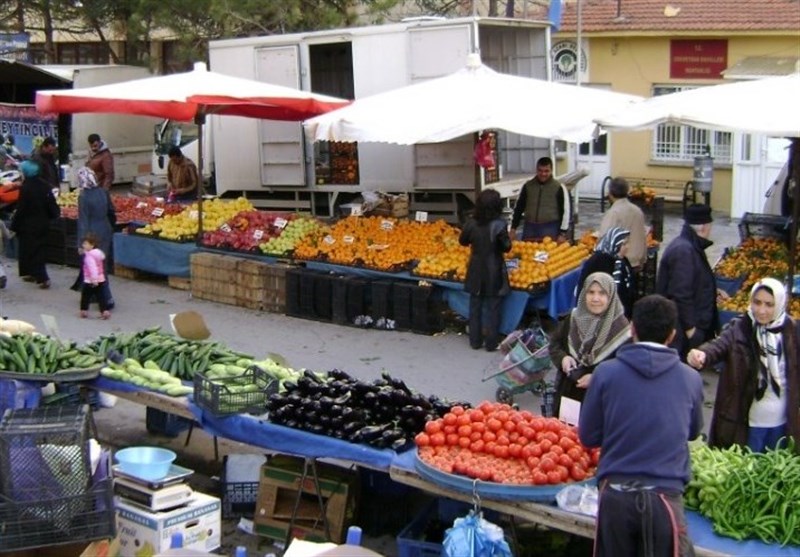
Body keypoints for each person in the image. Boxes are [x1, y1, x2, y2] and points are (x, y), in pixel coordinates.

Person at [579, 294, 704, 557]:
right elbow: (692, 431)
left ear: (632, 328)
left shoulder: (606, 373)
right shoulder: (690, 378)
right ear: (671, 335)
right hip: (665, 500)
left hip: (616, 496)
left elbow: (589, 435)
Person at [688, 278, 799, 453]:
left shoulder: (791, 330)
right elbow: (719, 345)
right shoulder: (740, 328)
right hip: (747, 423)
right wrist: (702, 354)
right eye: (757, 302)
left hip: (782, 423)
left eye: (769, 305)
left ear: (779, 304)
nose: (762, 311)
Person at [548, 272, 631, 416]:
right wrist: (563, 358)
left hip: (602, 401)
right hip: (569, 394)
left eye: (602, 293)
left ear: (611, 296)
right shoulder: (573, 318)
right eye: (591, 292)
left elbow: (625, 369)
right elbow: (555, 344)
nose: (595, 298)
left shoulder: (621, 330)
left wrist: (597, 378)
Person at [656, 203, 725, 360]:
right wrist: (691, 329)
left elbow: (695, 280)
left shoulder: (689, 246)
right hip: (682, 331)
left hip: (686, 327)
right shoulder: (684, 251)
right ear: (704, 227)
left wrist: (715, 290)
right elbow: (680, 293)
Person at [458, 188, 512, 352]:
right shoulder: (499, 225)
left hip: (475, 268)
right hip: (493, 269)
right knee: (493, 308)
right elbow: (506, 247)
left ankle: (475, 341)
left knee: (475, 306)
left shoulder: (471, 222)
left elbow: (462, 241)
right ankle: (491, 343)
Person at [9, 160, 60, 288]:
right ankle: (31, 273)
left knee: (31, 250)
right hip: (43, 223)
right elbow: (52, 204)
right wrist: (54, 215)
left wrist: (14, 225)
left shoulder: (26, 188)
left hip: (28, 225)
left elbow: (22, 208)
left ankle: (42, 277)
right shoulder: (44, 185)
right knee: (39, 249)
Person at [76, 166, 116, 308]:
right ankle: (94, 295)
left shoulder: (83, 197)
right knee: (102, 263)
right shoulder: (103, 192)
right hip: (105, 229)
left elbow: (83, 221)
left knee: (95, 267)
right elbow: (112, 212)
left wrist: (81, 243)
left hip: (92, 234)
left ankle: (106, 298)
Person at [576, 227, 636, 317]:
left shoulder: (623, 261)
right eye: (624, 244)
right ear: (615, 244)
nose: (627, 247)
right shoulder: (598, 261)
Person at [509, 156, 571, 242]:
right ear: (536, 170)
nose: (543, 174)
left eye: (546, 171)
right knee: (527, 254)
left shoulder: (559, 187)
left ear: (551, 170)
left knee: (548, 255)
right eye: (540, 170)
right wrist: (513, 228)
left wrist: (563, 233)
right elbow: (519, 208)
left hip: (550, 228)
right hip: (530, 228)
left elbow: (565, 212)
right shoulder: (528, 186)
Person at [598, 177, 648, 269]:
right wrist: (642, 260)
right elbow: (643, 236)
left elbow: (604, 239)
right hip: (635, 261)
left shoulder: (614, 213)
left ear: (610, 194)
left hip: (620, 263)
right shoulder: (637, 211)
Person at [79, 232, 111, 319]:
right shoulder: (98, 253)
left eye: (85, 243)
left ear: (92, 245)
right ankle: (104, 311)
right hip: (101, 279)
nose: (83, 245)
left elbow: (92, 268)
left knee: (86, 296)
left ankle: (84, 310)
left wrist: (93, 279)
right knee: (101, 296)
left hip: (90, 280)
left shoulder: (89, 257)